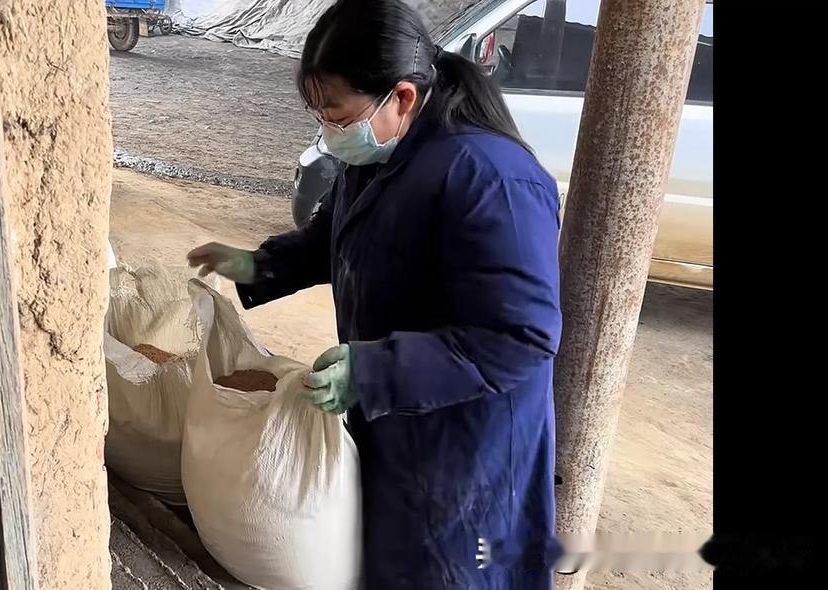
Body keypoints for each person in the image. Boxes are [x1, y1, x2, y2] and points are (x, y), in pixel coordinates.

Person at [187, 1, 563, 587]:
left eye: (335, 113)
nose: (327, 131)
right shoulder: (380, 155)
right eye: (319, 113)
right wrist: (256, 265)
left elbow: (520, 337)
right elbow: (330, 239)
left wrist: (374, 372)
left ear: (403, 98)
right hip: (399, 431)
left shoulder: (491, 179)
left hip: (468, 456)